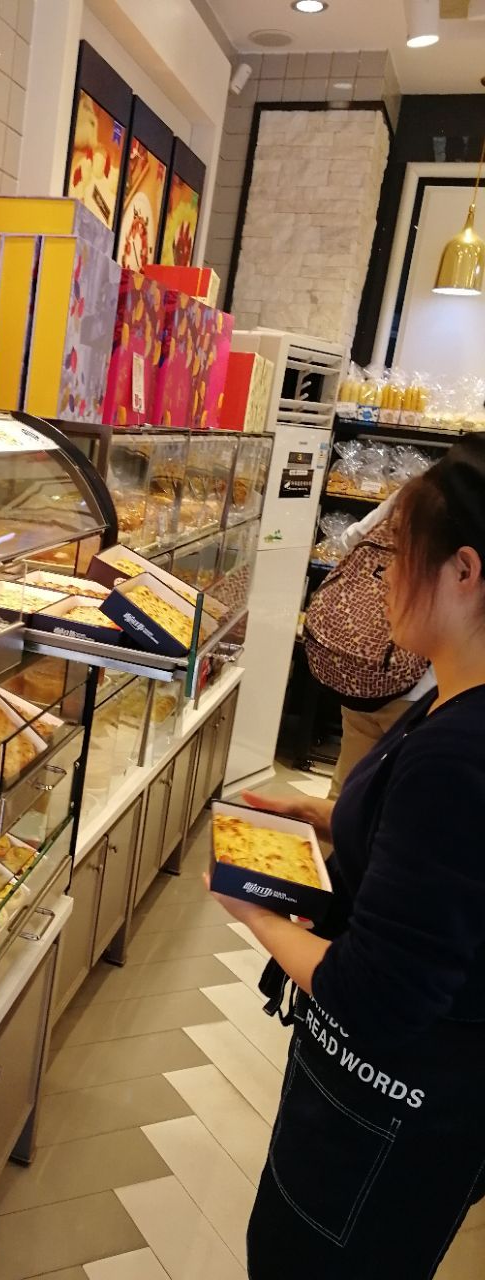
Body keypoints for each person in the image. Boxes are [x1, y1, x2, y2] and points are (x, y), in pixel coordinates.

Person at [210, 435, 485, 1278]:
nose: (379, 578)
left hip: (388, 1105)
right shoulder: (455, 700)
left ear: (464, 571)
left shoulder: (459, 751)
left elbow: (379, 996)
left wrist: (253, 907)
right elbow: (448, 864)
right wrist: (330, 818)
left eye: (396, 556)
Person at [326, 493, 435, 799]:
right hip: (424, 686)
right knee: (400, 799)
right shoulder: (462, 503)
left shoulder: (414, 492)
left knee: (347, 791)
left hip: (364, 669)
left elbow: (352, 538)